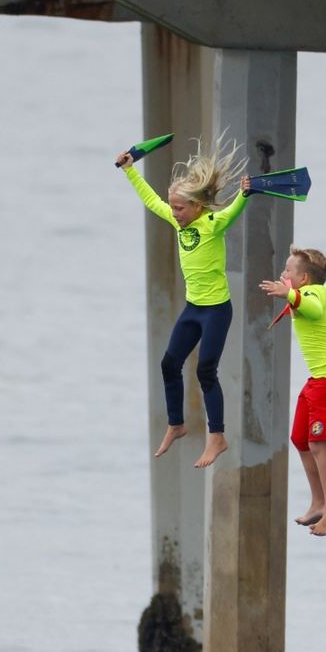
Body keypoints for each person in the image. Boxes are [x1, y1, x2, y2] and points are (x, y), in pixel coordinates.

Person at [116, 138, 250, 468]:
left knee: (206, 369)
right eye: (173, 208)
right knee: (168, 364)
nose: (174, 213)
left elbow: (233, 210)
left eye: (180, 208)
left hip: (217, 310)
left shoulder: (212, 225)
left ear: (198, 207)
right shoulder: (179, 223)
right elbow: (151, 202)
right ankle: (176, 424)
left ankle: (216, 436)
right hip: (193, 310)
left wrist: (246, 193)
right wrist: (130, 170)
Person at [259, 248, 326, 537]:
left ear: (303, 278)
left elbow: (312, 307)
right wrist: (294, 292)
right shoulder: (320, 292)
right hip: (318, 380)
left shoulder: (311, 297)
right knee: (301, 439)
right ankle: (319, 502)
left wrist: (289, 294)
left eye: (288, 271)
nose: (282, 275)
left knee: (319, 444)